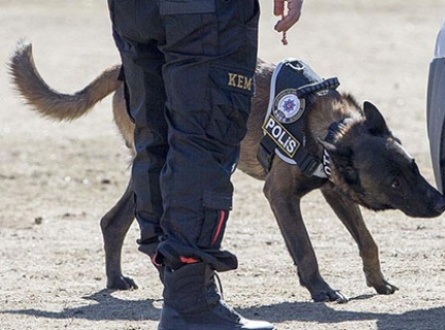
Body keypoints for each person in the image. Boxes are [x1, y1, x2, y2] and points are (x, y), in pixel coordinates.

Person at [107, 0, 303, 329]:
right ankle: (190, 298)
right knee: (204, 137)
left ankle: (177, 281)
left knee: (155, 134)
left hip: (132, 10)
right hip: (205, 12)